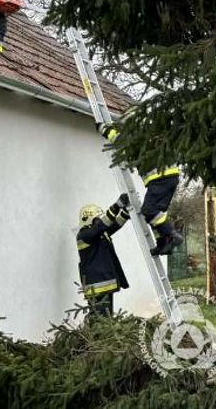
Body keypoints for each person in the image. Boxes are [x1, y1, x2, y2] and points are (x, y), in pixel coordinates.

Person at [99, 123, 184, 256]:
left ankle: (171, 235)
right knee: (154, 214)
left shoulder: (138, 136)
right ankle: (163, 244)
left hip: (160, 179)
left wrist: (103, 129)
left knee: (149, 210)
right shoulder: (154, 133)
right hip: (170, 177)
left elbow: (119, 140)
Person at [77, 195, 131, 317]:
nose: (100, 220)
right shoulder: (84, 235)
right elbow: (102, 225)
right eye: (97, 219)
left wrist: (126, 213)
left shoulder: (98, 233)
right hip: (97, 287)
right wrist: (117, 206)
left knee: (106, 320)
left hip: (103, 284)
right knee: (99, 320)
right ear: (89, 219)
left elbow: (113, 225)